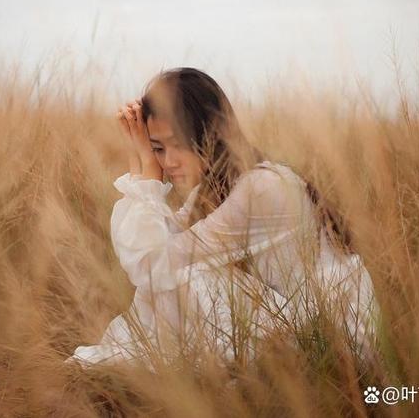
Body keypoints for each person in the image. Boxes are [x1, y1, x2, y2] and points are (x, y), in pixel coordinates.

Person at [66, 67, 378, 370]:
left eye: (180, 143)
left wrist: (147, 168)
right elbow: (157, 251)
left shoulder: (260, 187)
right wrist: (141, 160)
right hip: (298, 323)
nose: (169, 161)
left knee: (189, 279)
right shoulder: (214, 187)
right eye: (158, 148)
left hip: (335, 340)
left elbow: (152, 264)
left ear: (212, 134)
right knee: (182, 280)